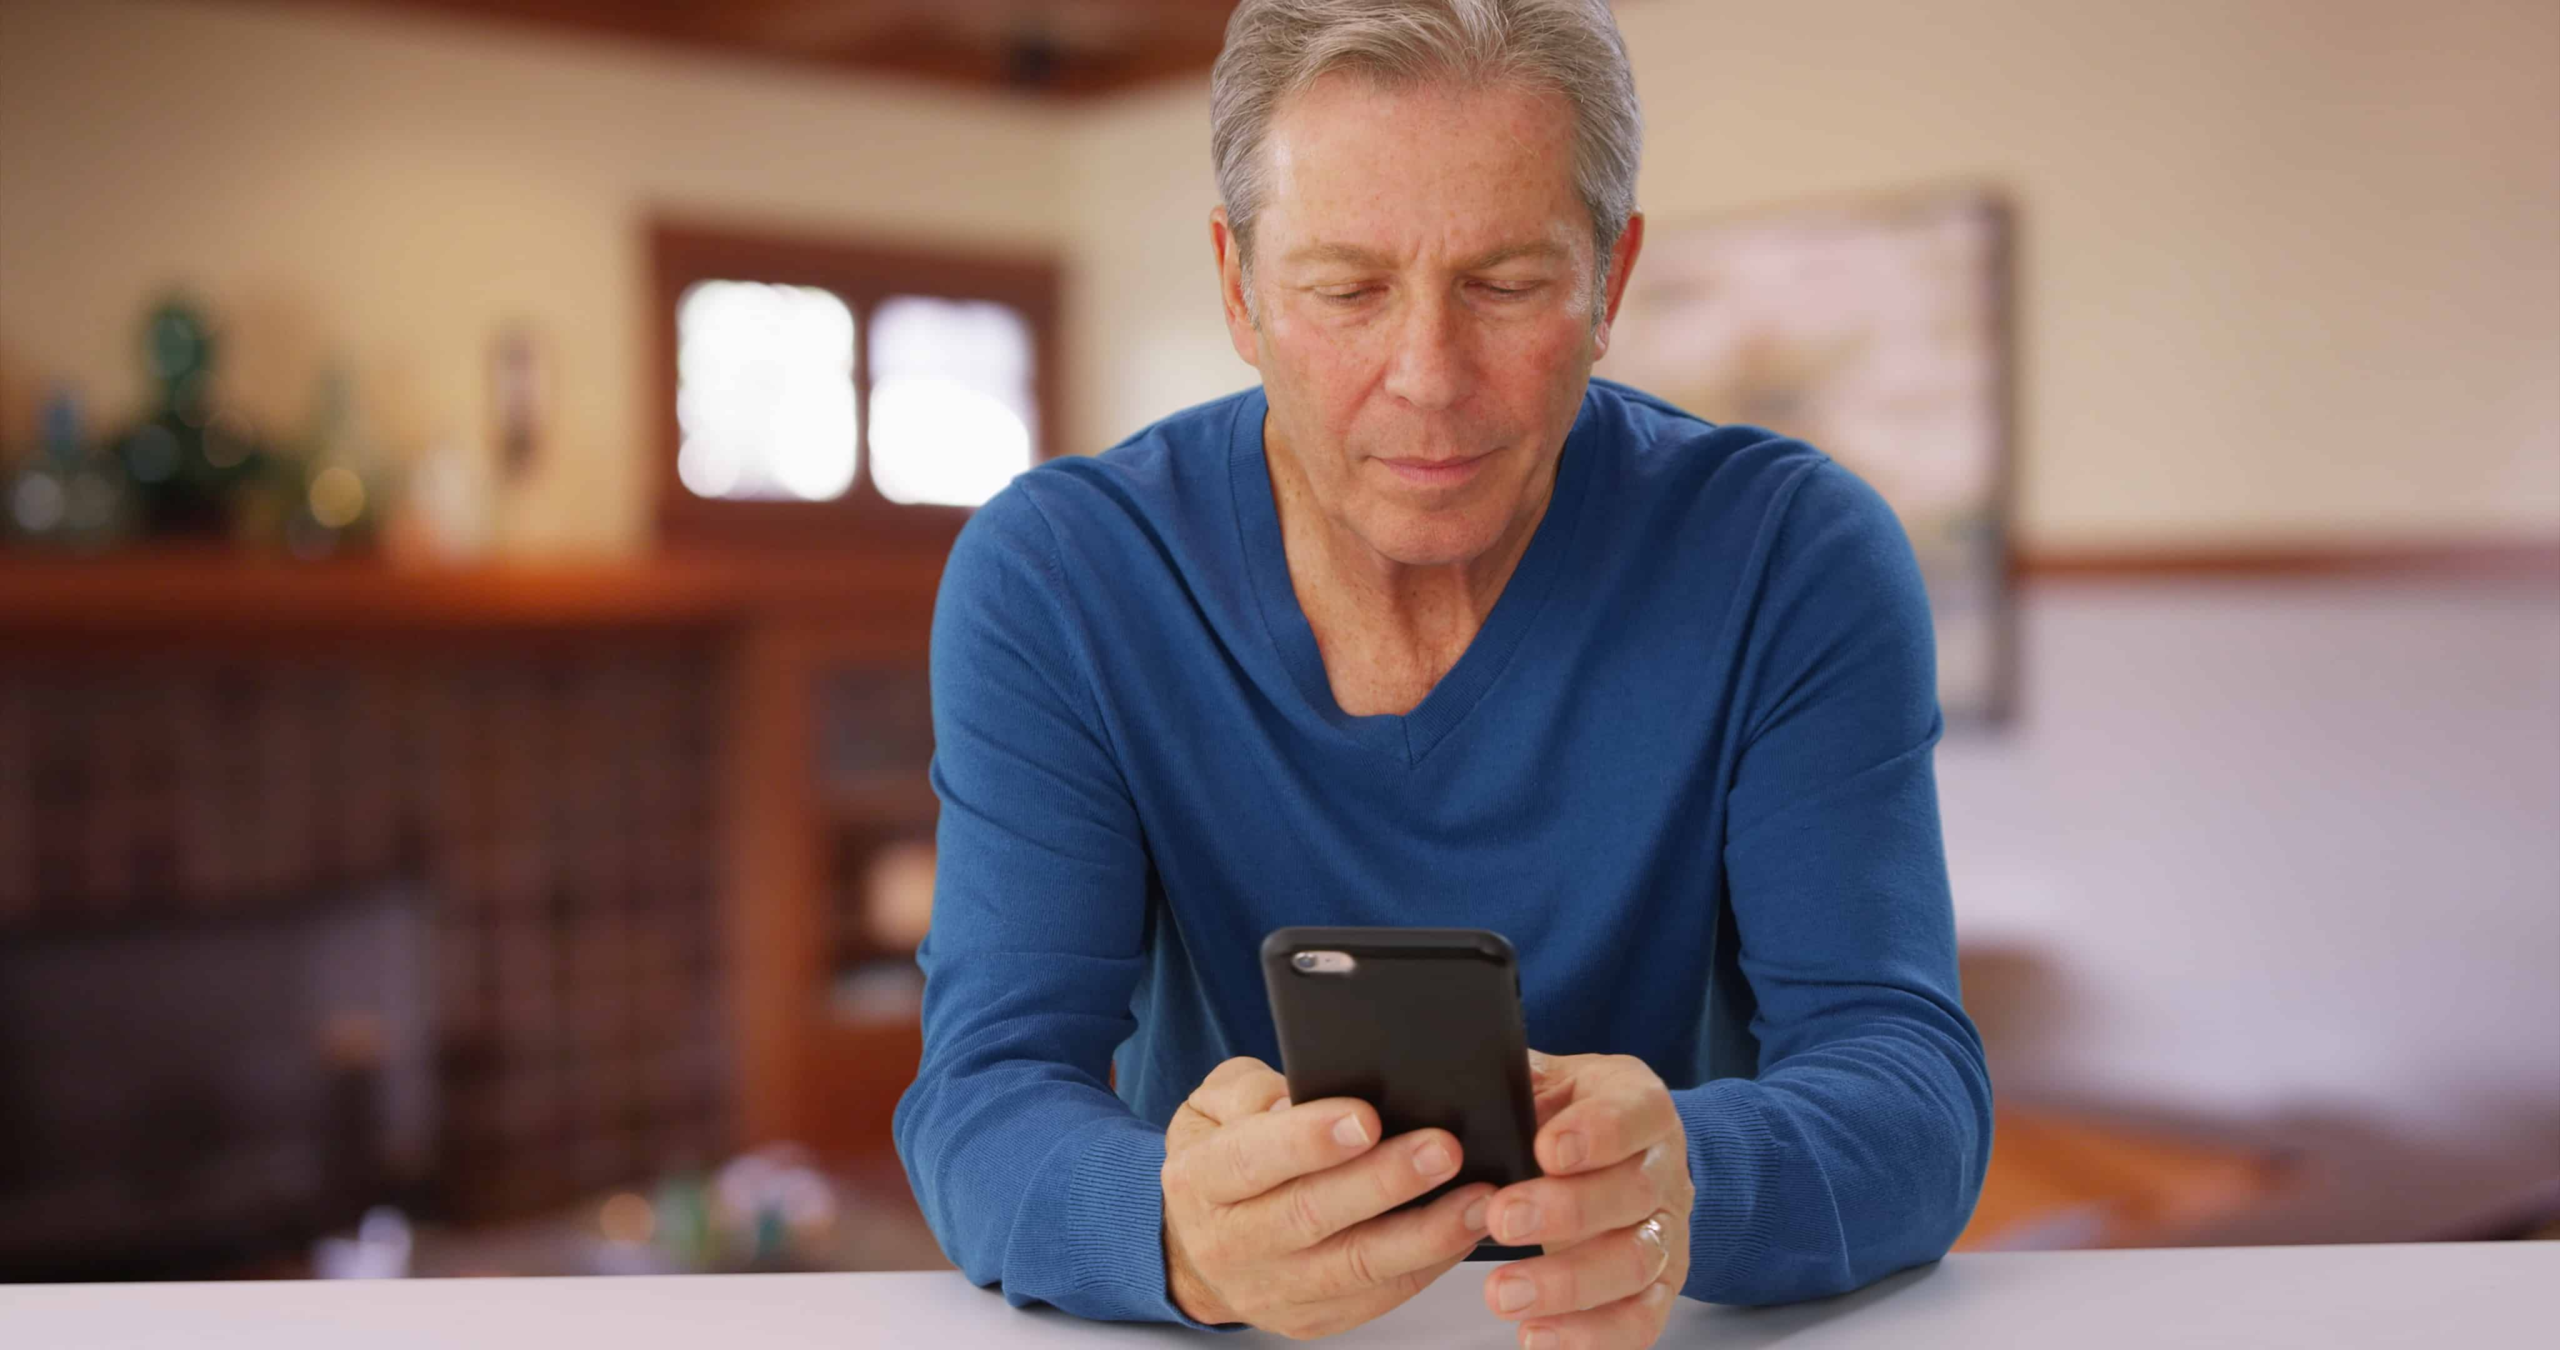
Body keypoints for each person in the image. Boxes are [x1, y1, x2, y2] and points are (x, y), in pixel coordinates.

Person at [891, 1, 1993, 1345]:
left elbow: (1913, 1093)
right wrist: (1175, 1232)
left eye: (1507, 282)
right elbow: (985, 1088)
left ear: (1610, 279)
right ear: (1240, 288)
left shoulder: (1790, 555)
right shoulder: (1062, 574)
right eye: (1348, 289)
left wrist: (1691, 1178)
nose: (1427, 375)